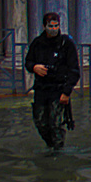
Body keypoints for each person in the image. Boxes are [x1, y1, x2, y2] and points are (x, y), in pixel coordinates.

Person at [24, 12, 80, 150]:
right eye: (51, 26)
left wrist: (67, 92)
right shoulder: (37, 43)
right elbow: (28, 62)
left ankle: (57, 149)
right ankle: (50, 144)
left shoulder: (66, 43)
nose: (54, 29)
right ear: (44, 26)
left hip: (58, 88)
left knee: (56, 124)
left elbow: (74, 70)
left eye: (56, 26)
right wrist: (34, 67)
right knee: (40, 122)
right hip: (42, 88)